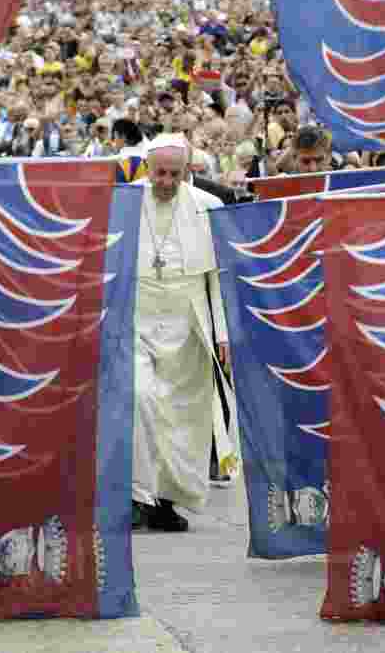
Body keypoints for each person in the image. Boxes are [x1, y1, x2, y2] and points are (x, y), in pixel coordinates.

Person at [131, 133, 234, 531]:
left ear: (188, 171)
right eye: (160, 173)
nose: (167, 182)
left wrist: (222, 335)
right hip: (137, 320)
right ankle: (138, 495)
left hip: (188, 324)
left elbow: (216, 280)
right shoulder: (124, 203)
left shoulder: (208, 207)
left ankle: (165, 502)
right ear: (146, 169)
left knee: (181, 419)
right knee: (142, 400)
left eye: (176, 174)